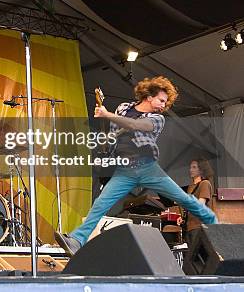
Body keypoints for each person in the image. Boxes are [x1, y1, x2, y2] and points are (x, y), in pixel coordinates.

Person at [55, 76, 218, 256]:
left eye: (165, 102)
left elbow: (135, 125)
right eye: (161, 100)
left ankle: (216, 225)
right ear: (149, 96)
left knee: (184, 199)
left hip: (148, 167)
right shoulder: (123, 108)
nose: (163, 105)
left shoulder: (157, 119)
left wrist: (106, 114)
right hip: (125, 170)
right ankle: (77, 239)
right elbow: (112, 134)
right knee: (100, 204)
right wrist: (104, 133)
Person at [177, 158, 216, 246]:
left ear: (202, 170)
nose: (191, 170)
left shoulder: (205, 183)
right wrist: (182, 217)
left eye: (194, 167)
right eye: (190, 167)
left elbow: (199, 205)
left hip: (200, 226)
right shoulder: (190, 187)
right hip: (190, 227)